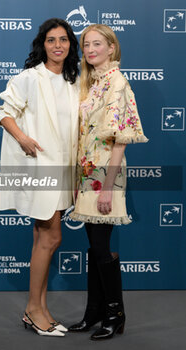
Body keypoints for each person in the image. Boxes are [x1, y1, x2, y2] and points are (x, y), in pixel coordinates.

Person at [0, 18, 79, 337]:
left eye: (63, 40)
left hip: (63, 168)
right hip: (40, 167)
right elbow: (5, 112)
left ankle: (41, 310)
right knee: (51, 237)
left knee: (41, 237)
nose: (57, 45)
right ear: (42, 45)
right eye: (50, 40)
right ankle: (33, 310)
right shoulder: (30, 77)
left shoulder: (74, 81)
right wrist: (23, 138)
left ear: (70, 45)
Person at [68, 24, 148, 340]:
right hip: (88, 172)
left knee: (101, 247)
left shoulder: (117, 84)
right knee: (94, 245)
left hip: (106, 174)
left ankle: (115, 314)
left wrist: (108, 187)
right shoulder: (91, 84)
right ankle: (94, 313)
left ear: (111, 48)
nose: (90, 50)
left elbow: (119, 142)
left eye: (97, 44)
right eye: (86, 44)